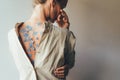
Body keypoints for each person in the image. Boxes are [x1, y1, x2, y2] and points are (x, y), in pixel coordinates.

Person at [8, 0, 76, 80]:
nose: (61, 12)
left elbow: (68, 64)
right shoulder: (63, 35)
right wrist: (65, 31)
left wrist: (65, 31)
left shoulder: (11, 35)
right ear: (53, 2)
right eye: (62, 7)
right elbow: (70, 62)